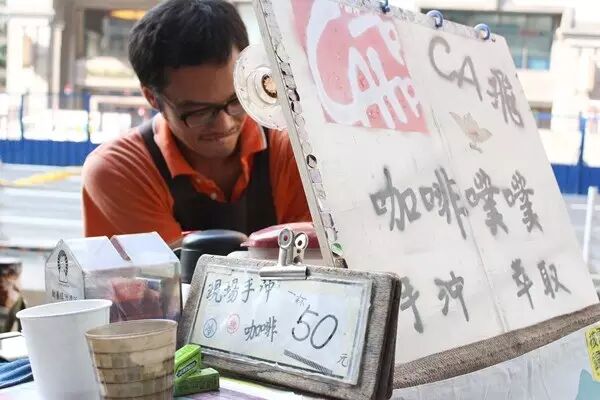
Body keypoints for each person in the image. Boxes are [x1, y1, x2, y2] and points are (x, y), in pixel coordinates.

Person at [81, 0, 311, 246]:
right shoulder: (122, 170)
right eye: (199, 111)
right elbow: (170, 268)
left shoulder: (296, 151)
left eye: (236, 100)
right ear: (152, 98)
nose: (223, 123)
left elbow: (316, 257)